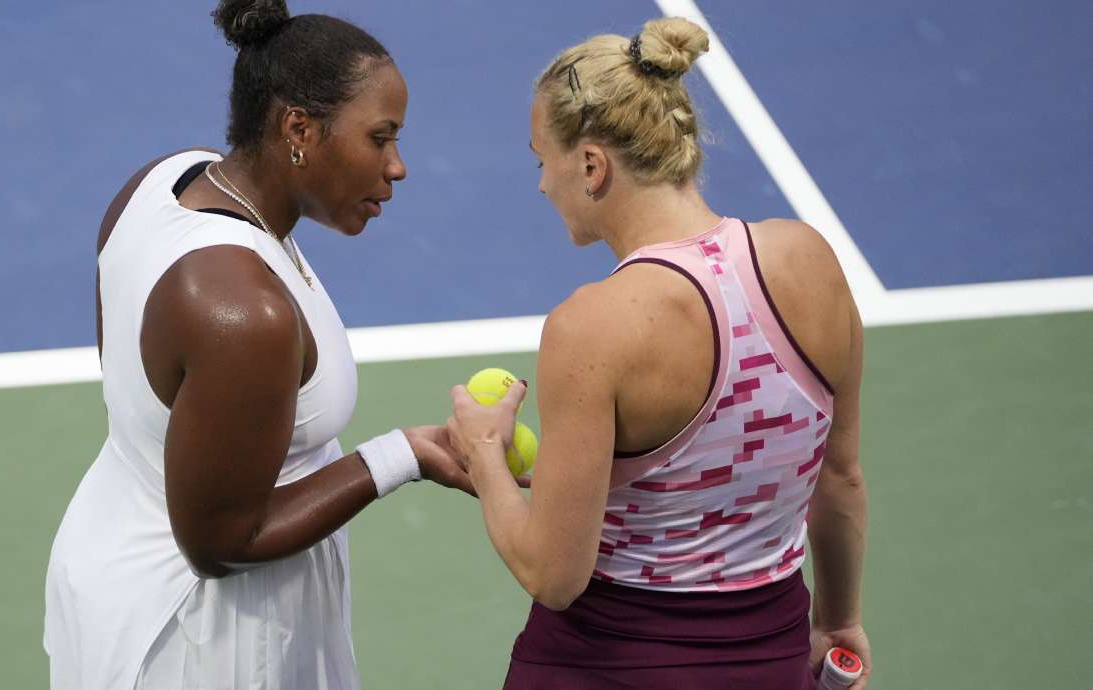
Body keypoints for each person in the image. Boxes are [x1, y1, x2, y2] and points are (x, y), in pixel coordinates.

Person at [43, 2, 473, 688]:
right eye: (379, 138)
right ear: (299, 128)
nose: (397, 168)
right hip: (204, 640)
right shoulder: (246, 315)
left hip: (109, 558)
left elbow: (137, 384)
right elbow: (221, 543)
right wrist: (403, 456)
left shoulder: (166, 179)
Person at [446, 17, 871, 690]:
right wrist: (839, 621)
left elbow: (553, 574)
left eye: (540, 160)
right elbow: (840, 481)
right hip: (773, 659)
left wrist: (482, 457)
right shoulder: (809, 259)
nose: (540, 185)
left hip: (607, 666)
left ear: (591, 164)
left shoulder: (593, 328)